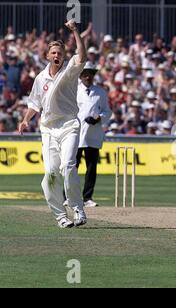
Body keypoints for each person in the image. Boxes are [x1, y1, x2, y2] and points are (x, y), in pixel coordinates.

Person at [18, 20, 88, 228]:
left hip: (69, 125)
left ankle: (77, 208)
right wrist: (25, 120)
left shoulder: (70, 71)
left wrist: (75, 30)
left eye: (60, 53)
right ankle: (60, 216)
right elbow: (34, 103)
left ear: (64, 55)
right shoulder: (40, 78)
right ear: (47, 56)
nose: (57, 56)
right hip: (48, 129)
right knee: (50, 174)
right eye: (53, 53)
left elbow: (82, 56)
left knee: (68, 165)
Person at [76, 62, 112, 208]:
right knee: (72, 167)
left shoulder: (100, 92)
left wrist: (98, 118)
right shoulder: (74, 90)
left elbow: (107, 111)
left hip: (93, 134)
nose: (87, 76)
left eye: (90, 73)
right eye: (85, 73)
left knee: (91, 168)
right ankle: (68, 197)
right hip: (76, 134)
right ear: (80, 75)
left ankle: (87, 198)